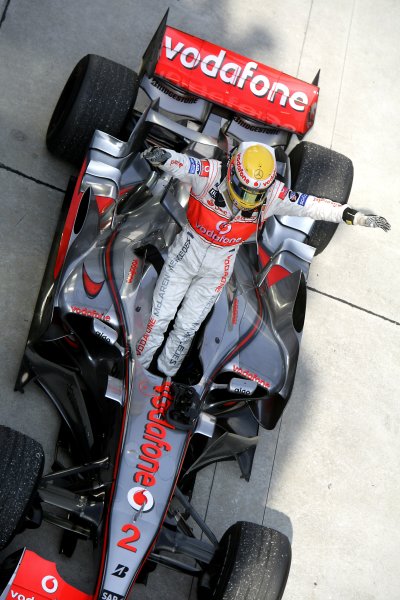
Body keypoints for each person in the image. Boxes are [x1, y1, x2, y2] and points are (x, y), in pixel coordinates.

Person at [136, 142, 390, 377]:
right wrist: (161, 155)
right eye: (243, 191)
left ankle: (165, 376)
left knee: (187, 328)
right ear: (232, 171)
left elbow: (312, 204)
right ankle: (138, 368)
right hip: (185, 255)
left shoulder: (273, 195)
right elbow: (179, 161)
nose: (247, 201)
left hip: (219, 268)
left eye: (254, 194)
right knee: (158, 318)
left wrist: (352, 215)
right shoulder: (209, 172)